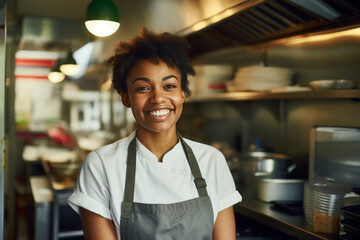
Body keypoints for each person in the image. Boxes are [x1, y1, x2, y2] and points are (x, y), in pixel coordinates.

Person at [67, 27, 242, 240]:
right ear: (126, 98)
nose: (158, 97)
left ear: (183, 94)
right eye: (143, 88)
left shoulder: (212, 161)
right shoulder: (101, 165)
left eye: (169, 86)